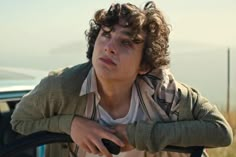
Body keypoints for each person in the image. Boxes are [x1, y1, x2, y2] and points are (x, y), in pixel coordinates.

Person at [11, 1, 233, 157]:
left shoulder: (164, 93)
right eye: (106, 34)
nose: (109, 48)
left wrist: (138, 135)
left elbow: (220, 132)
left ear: (144, 65)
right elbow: (19, 122)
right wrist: (70, 125)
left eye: (126, 42)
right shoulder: (61, 87)